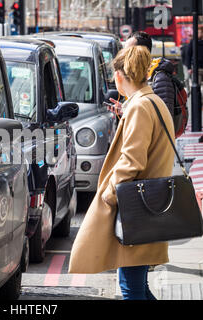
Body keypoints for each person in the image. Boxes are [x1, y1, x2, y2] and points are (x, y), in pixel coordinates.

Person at [68, 46, 175, 300]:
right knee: (138, 286)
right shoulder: (150, 102)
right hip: (149, 204)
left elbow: (132, 161)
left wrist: (108, 193)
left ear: (119, 76)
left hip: (136, 209)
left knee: (130, 287)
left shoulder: (140, 107)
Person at [109, 31, 175, 120]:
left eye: (129, 51)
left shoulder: (160, 78)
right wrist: (125, 109)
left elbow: (164, 118)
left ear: (142, 52)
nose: (125, 55)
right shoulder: (136, 75)